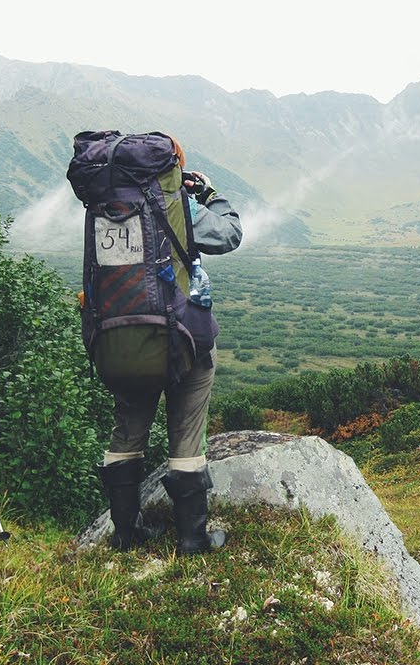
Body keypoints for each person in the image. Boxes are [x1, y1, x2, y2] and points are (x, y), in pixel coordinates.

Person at [96, 142, 242, 556]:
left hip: (120, 338)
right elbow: (230, 234)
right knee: (186, 434)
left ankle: (126, 533)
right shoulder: (178, 204)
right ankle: (192, 537)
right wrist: (211, 195)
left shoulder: (104, 207)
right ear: (171, 168)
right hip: (181, 339)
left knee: (128, 429)